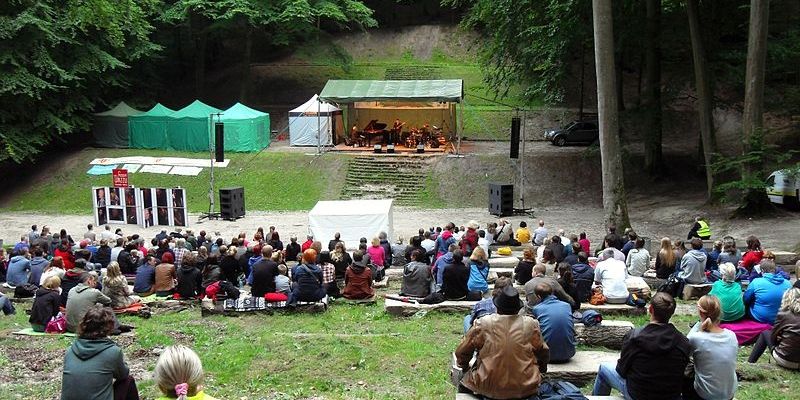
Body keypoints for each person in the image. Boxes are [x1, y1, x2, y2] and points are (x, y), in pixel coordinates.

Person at [455, 285, 550, 399]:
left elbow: (462, 352)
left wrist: (465, 367)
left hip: (487, 386)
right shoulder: (531, 324)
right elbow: (543, 352)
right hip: (526, 386)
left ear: (497, 307)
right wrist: (541, 369)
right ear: (518, 309)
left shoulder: (482, 323)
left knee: (463, 384)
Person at [592, 292, 690, 400]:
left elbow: (621, 370)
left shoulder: (634, 337)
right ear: (672, 312)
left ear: (651, 309)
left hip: (637, 394)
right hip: (670, 395)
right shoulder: (683, 342)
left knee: (603, 369)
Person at [61, 306, 138, 400]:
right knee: (128, 380)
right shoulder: (113, 352)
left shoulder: (70, 351)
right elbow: (123, 374)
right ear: (108, 327)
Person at [684, 295, 738, 400]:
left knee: (685, 374)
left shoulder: (695, 337)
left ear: (700, 312)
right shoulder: (731, 335)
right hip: (729, 393)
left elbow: (683, 357)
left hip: (705, 395)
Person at [747, 288, 800, 370]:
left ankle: (750, 363)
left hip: (786, 359)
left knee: (765, 333)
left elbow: (773, 337)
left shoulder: (783, 314)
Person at [531, 282, 575, 363]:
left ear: (538, 296)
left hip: (546, 355)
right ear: (551, 293)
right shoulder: (566, 305)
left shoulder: (537, 309)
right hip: (568, 353)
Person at [744, 259, 792, 325]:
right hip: (782, 318)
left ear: (762, 271)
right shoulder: (788, 283)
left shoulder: (756, 282)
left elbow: (746, 299)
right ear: (775, 270)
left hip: (761, 318)